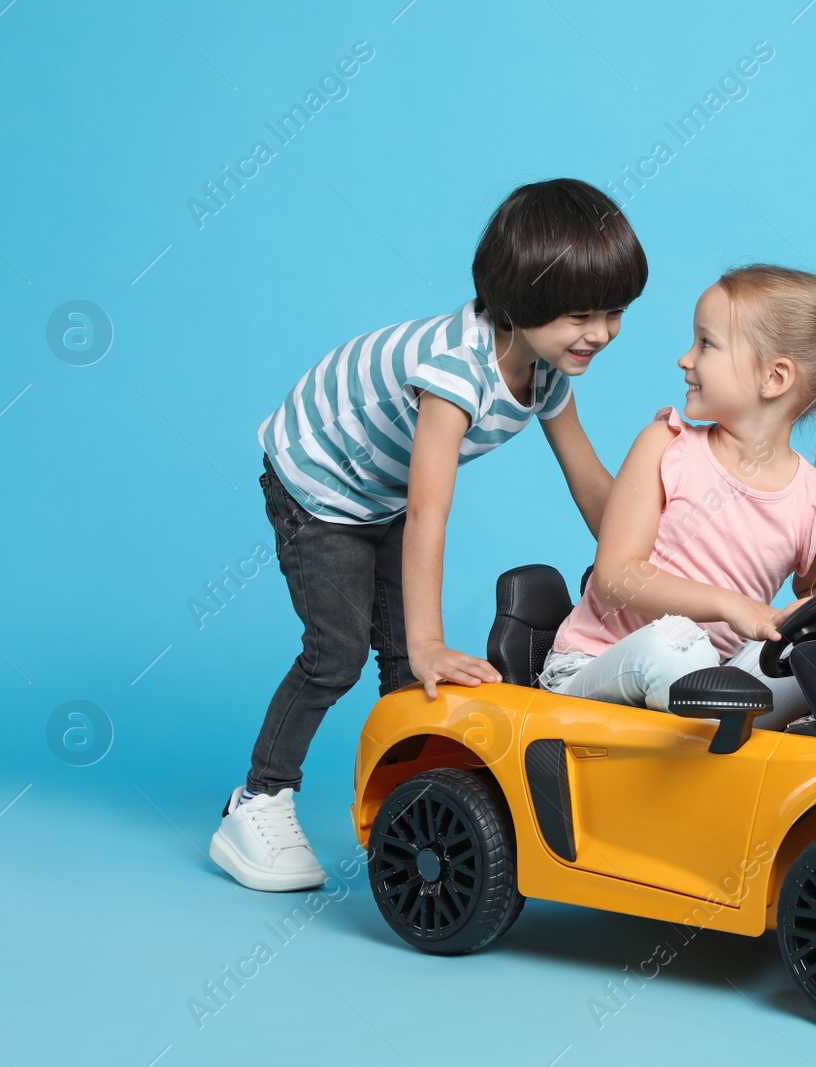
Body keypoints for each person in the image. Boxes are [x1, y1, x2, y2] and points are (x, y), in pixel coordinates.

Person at [211, 179, 647, 891]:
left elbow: (591, 482)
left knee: (411, 676)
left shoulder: (547, 370)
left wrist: (634, 567)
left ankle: (412, 806)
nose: (599, 333)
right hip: (319, 482)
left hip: (379, 491)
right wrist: (428, 639)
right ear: (520, 300)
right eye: (580, 315)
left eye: (614, 312)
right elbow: (429, 513)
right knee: (339, 651)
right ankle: (257, 799)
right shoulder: (453, 371)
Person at [539, 264, 816, 725]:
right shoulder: (666, 446)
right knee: (674, 644)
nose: (685, 359)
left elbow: (806, 615)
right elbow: (615, 577)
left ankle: (748, 745)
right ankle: (725, 733)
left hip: (714, 690)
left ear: (774, 379)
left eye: (705, 343)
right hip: (599, 668)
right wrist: (731, 606)